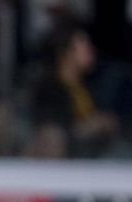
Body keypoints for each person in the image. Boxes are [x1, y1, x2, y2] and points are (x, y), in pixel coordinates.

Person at [26, 22, 118, 158]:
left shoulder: (89, 88)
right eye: (84, 46)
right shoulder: (47, 89)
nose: (91, 50)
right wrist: (91, 126)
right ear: (66, 52)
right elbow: (51, 131)